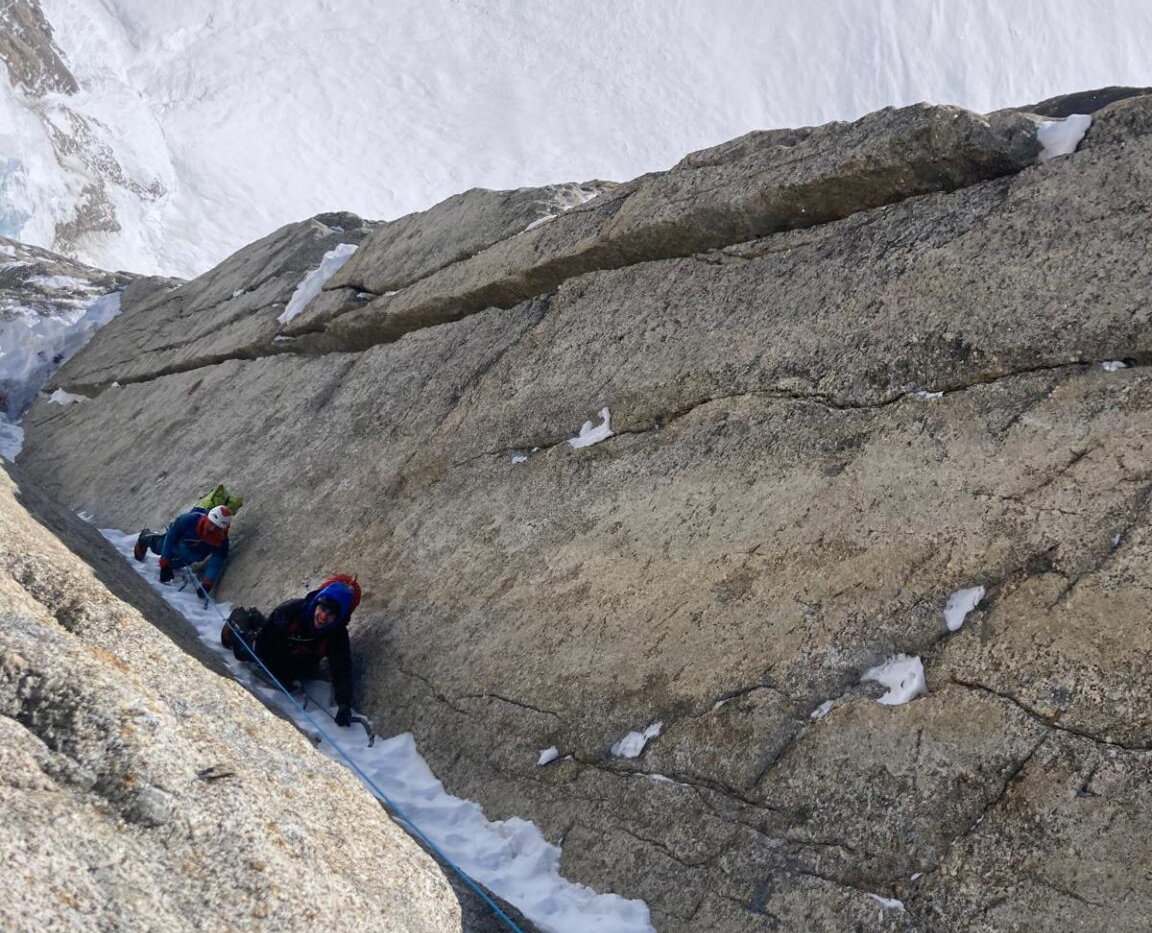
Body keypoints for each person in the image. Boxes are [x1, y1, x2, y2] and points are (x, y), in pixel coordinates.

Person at [223, 576, 360, 727]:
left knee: (296, 672)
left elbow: (341, 669)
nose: (323, 617)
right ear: (316, 604)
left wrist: (344, 704)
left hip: (298, 661)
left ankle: (255, 617)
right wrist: (277, 667)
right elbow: (266, 642)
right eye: (322, 609)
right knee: (243, 651)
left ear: (338, 617)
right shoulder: (292, 610)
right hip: (270, 649)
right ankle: (240, 617)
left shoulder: (337, 635)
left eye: (331, 615)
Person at [133, 505, 232, 591]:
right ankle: (145, 537)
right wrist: (164, 563)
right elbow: (171, 538)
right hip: (176, 545)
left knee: (173, 565)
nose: (212, 529)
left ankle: (171, 562)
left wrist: (207, 583)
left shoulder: (221, 541)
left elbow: (216, 561)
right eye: (212, 524)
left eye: (217, 528)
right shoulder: (189, 520)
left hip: (189, 557)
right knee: (158, 546)